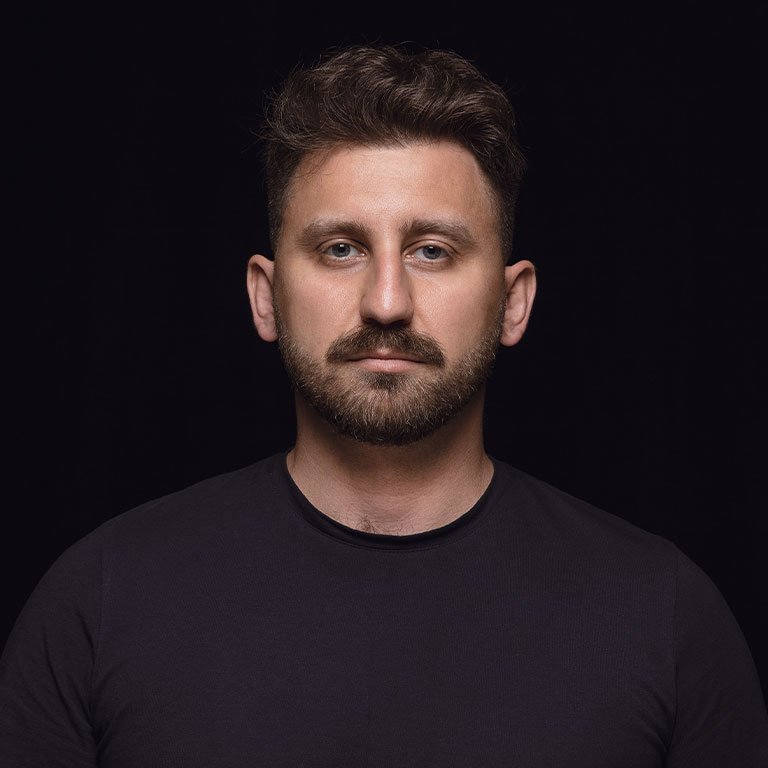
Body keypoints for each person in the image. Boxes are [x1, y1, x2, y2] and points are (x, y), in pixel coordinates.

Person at [1, 43, 766, 767]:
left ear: (513, 301)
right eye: (341, 248)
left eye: (433, 250)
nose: (387, 302)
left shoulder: (664, 618)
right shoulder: (101, 602)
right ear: (266, 296)